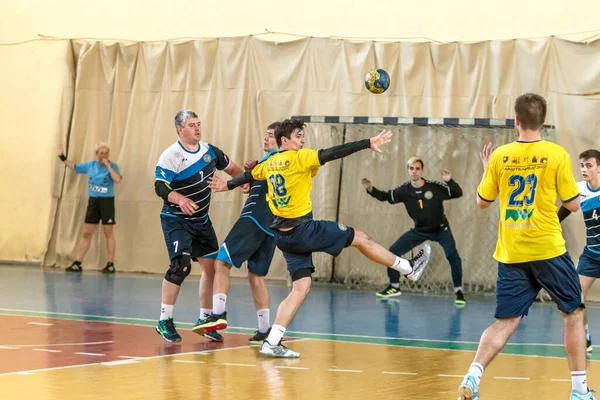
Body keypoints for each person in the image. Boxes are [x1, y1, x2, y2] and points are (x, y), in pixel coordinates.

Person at [208, 118, 429, 358]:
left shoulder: (270, 162)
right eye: (298, 136)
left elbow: (249, 176)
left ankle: (272, 341)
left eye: (303, 135)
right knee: (361, 237)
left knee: (301, 287)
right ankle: (408, 268)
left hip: (284, 237)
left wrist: (227, 185)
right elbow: (334, 152)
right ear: (285, 140)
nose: (303, 140)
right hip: (304, 231)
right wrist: (367, 143)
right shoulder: (299, 157)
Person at [458, 93, 594, 400]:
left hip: (511, 251)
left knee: (506, 320)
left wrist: (488, 170)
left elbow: (482, 202)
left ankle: (473, 376)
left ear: (516, 120)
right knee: (573, 313)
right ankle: (579, 391)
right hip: (547, 249)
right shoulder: (556, 154)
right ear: (542, 121)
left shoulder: (500, 156)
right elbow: (573, 205)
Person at [153, 110, 246, 343]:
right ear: (180, 129)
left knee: (212, 268)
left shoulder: (210, 152)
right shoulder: (171, 155)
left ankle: (205, 321)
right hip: (176, 220)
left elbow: (234, 170)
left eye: (198, 124)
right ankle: (165, 320)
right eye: (191, 125)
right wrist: (181, 199)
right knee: (181, 267)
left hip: (201, 221)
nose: (197, 128)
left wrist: (238, 184)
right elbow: (160, 187)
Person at [193, 122, 281, 344]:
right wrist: (251, 174)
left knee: (221, 262)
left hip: (253, 218)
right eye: (266, 134)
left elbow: (243, 182)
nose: (265, 138)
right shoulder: (279, 163)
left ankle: (218, 312)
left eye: (271, 136)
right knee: (256, 277)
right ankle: (264, 330)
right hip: (272, 226)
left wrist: (230, 183)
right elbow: (254, 185)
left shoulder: (273, 159)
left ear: (282, 141)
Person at [362, 157, 465, 304]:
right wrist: (370, 189)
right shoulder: (404, 190)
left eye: (417, 168)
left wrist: (449, 180)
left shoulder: (434, 187)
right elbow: (386, 196)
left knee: (452, 255)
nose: (414, 171)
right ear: (408, 170)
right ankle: (394, 286)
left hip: (441, 230)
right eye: (411, 168)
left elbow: (457, 193)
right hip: (420, 231)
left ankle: (459, 291)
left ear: (422, 171)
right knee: (392, 251)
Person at [558, 149, 600, 355]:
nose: (584, 169)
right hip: (592, 255)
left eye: (589, 165)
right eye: (582, 165)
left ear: (599, 168)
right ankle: (585, 336)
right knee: (576, 297)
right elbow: (563, 211)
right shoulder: (578, 190)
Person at [58, 142, 122, 273]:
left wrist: (109, 167)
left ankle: (110, 264)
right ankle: (78, 263)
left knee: (108, 233)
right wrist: (62, 157)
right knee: (87, 233)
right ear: (97, 154)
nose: (104, 155)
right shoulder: (90, 165)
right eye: (101, 153)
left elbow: (117, 179)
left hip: (107, 202)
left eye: (106, 153)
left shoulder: (113, 166)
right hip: (93, 202)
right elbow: (74, 167)